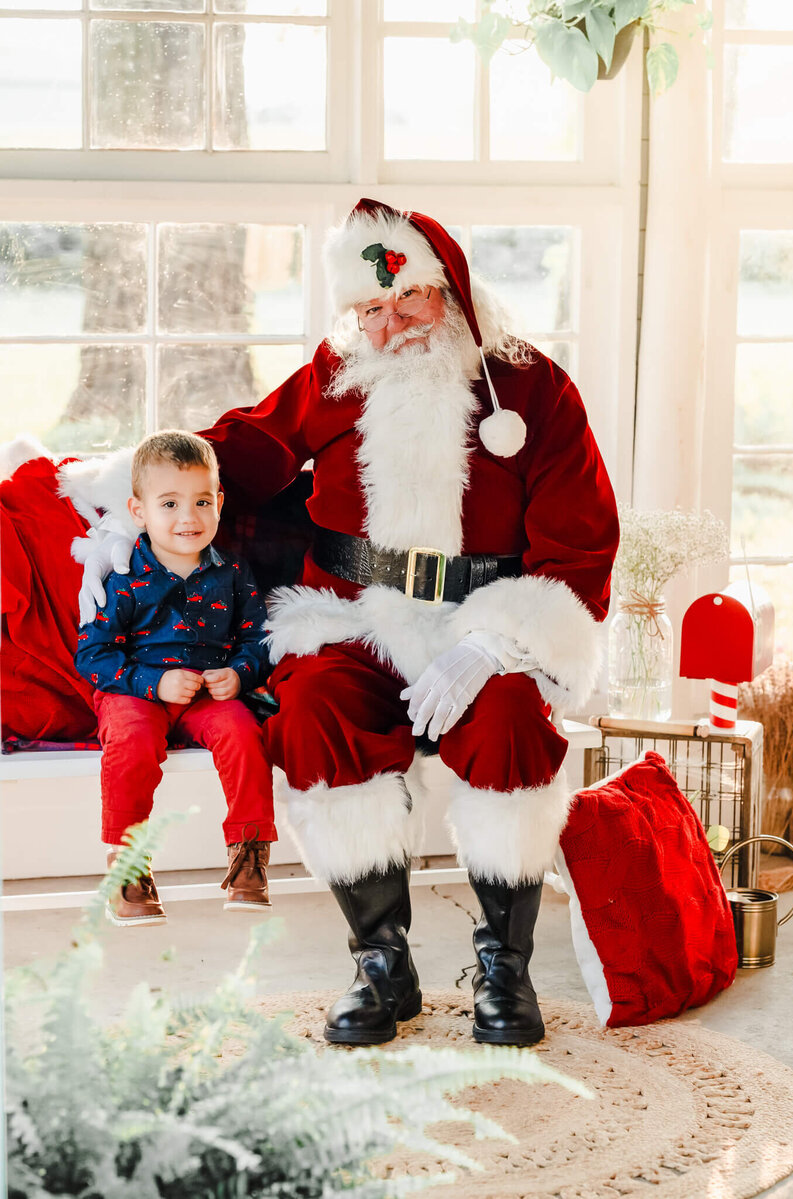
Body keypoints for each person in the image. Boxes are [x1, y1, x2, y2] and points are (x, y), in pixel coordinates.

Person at [74, 199, 618, 1041]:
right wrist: (125, 502)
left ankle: (504, 973)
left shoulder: (532, 389)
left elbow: (580, 544)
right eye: (370, 308)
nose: (390, 325)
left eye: (408, 301)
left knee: (512, 719)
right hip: (350, 614)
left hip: (482, 620)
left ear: (451, 292)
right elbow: (241, 451)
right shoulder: (336, 371)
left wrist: (490, 643)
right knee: (314, 708)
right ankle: (380, 961)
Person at [74, 430, 276, 926]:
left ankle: (249, 856)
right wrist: (153, 684)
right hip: (134, 691)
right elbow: (92, 656)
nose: (188, 517)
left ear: (219, 503)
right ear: (138, 510)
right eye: (169, 503)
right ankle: (127, 865)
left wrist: (240, 674)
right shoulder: (123, 575)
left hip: (207, 692)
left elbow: (258, 642)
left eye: (202, 501)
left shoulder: (232, 573)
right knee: (131, 741)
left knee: (243, 733)